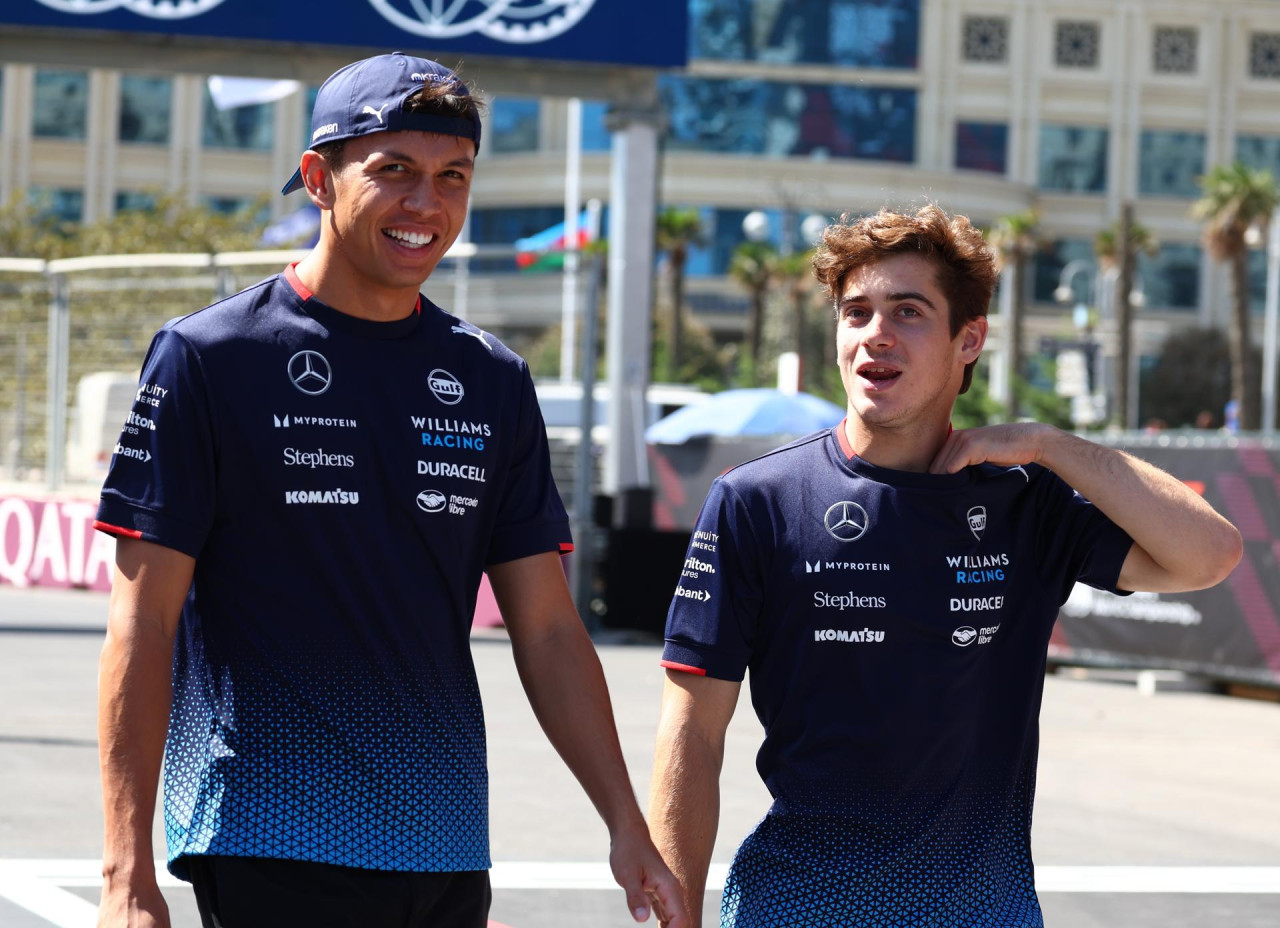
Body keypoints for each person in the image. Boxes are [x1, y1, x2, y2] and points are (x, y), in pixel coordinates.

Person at [94, 52, 684, 928]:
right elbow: (143, 622)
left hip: (444, 844)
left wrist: (626, 823)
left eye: (453, 177)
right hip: (268, 831)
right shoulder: (210, 359)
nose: (426, 205)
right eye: (393, 172)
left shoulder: (491, 379)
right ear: (318, 181)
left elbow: (552, 631)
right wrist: (124, 874)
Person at [647, 205, 1242, 927]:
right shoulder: (757, 499)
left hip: (984, 911)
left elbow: (1210, 555)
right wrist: (677, 915)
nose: (876, 335)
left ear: (969, 340)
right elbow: (692, 729)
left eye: (908, 311)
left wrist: (1050, 445)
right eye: (856, 312)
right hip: (797, 907)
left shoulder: (1026, 500)